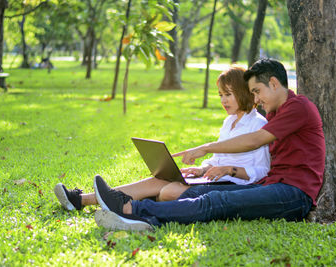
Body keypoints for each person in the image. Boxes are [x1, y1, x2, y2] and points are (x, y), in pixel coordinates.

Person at [92, 58, 326, 231]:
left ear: (274, 83)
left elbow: (254, 141)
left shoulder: (299, 107)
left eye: (257, 91)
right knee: (205, 192)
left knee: (216, 201)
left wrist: (206, 147)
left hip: (295, 195)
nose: (255, 99)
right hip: (271, 185)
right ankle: (134, 207)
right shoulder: (277, 113)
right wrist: (205, 167)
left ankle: (131, 211)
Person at [53, 66, 270, 211]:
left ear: (243, 92)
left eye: (228, 94)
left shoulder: (258, 125)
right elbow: (218, 160)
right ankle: (81, 200)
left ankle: (123, 205)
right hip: (215, 180)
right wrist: (202, 169)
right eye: (220, 95)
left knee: (168, 191)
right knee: (160, 180)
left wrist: (229, 170)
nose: (223, 100)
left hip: (234, 186)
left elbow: (262, 172)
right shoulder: (228, 122)